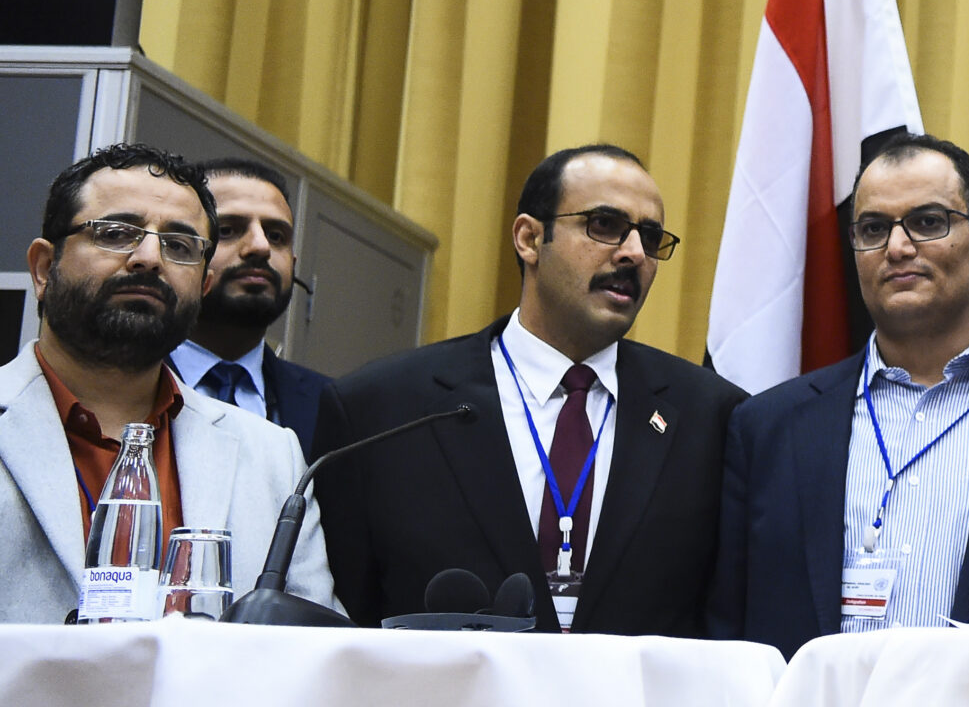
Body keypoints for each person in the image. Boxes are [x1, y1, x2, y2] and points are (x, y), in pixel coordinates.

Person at [709, 132, 969, 652]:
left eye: (927, 222)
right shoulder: (767, 427)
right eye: (874, 228)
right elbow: (728, 634)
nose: (897, 248)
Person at [317, 144, 742, 633]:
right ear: (529, 238)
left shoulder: (712, 418)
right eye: (605, 225)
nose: (634, 253)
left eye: (650, 236)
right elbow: (345, 620)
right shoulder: (382, 410)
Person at [1, 145, 334, 622]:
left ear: (201, 287)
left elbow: (313, 645)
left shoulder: (271, 456)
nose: (149, 258)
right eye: (116, 233)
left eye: (179, 246)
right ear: (42, 269)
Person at [169, 156, 337, 460]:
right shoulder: (118, 379)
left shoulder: (331, 406)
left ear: (294, 264)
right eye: (229, 230)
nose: (261, 247)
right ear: (180, 251)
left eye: (276, 236)